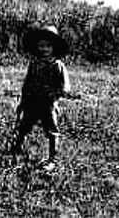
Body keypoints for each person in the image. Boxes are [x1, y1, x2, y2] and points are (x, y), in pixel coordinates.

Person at [10, 25, 76, 171]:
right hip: (32, 102)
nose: (44, 49)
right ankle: (16, 148)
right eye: (41, 46)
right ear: (36, 47)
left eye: (48, 46)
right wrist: (23, 101)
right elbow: (27, 83)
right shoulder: (34, 63)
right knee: (23, 127)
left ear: (54, 47)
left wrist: (53, 94)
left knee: (52, 130)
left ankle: (52, 159)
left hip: (48, 104)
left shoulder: (57, 65)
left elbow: (65, 87)